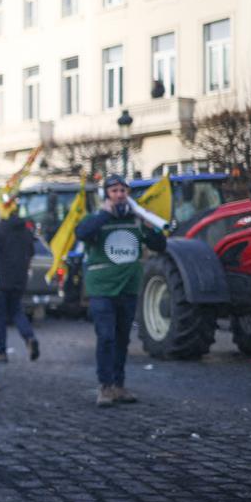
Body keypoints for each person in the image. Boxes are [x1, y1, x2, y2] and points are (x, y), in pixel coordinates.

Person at [75, 173, 166, 407]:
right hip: (102, 288)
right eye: (114, 191)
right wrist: (105, 214)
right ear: (106, 194)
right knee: (106, 336)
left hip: (128, 286)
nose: (119, 195)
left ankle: (119, 385)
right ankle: (105, 386)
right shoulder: (97, 217)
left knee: (122, 338)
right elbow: (81, 233)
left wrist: (151, 227)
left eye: (123, 191)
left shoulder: (136, 218)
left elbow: (159, 244)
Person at [0, 206, 39, 362]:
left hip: (0, 278)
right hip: (19, 278)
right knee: (17, 310)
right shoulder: (26, 231)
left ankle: (1, 351)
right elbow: (31, 253)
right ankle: (29, 337)